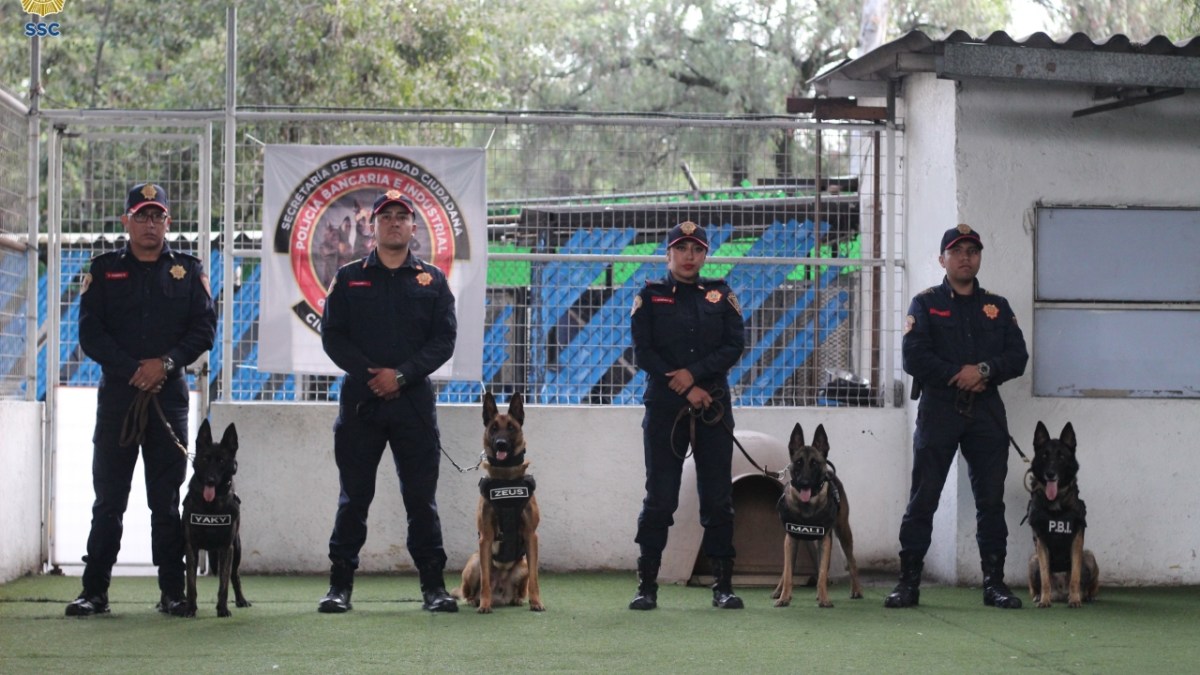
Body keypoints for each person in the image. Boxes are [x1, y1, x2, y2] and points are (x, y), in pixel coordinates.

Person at [68, 183, 217, 617]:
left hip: (168, 400)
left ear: (168, 222)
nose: (150, 224)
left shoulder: (189, 271)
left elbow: (204, 330)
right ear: (126, 222)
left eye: (157, 216)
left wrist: (166, 365)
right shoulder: (104, 268)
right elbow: (90, 332)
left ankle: (172, 592)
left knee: (166, 500)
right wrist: (134, 369)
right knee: (109, 499)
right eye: (141, 215)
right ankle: (94, 591)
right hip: (119, 398)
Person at [318, 190, 459, 614]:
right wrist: (371, 375)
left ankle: (434, 587)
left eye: (402, 216)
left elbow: (444, 340)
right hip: (362, 403)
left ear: (413, 228)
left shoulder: (432, 280)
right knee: (354, 498)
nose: (394, 222)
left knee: (421, 499)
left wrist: (400, 375)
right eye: (386, 216)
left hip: (413, 403)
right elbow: (332, 337)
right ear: (373, 227)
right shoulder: (348, 277)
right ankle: (339, 586)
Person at [885, 223, 1029, 610]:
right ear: (942, 258)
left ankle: (994, 584)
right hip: (939, 411)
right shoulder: (926, 302)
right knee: (923, 498)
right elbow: (913, 357)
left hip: (986, 414)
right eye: (957, 250)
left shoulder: (997, 306)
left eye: (972, 250)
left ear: (979, 256)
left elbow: (1018, 358)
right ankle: (908, 583)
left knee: (991, 502)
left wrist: (982, 371)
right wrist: (958, 375)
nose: (966, 257)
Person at [628, 221, 746, 610]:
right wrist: (682, 384)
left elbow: (735, 345)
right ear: (669, 254)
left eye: (697, 249)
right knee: (660, 497)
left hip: (711, 404)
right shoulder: (651, 294)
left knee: (717, 497)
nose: (690, 256)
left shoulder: (720, 294)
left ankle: (723, 586)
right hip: (665, 406)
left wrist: (695, 377)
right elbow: (643, 351)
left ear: (705, 254)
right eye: (682, 249)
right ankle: (647, 585)